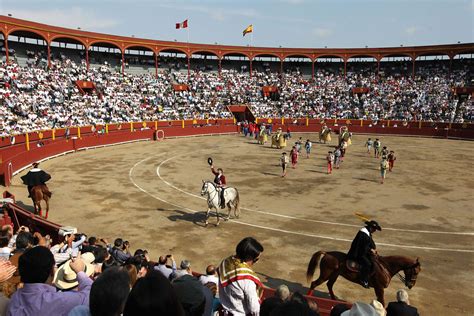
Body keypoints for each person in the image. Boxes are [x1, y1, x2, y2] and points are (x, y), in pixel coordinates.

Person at [7, 247, 92, 316]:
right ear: (51, 271)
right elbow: (92, 296)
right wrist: (80, 271)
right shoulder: (57, 300)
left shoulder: (15, 298)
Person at [218, 237, 264, 316]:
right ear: (249, 258)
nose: (255, 262)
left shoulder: (225, 263)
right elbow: (254, 309)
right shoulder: (247, 280)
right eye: (256, 260)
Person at [346, 220, 382, 289]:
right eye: (375, 229)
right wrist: (371, 250)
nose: (375, 231)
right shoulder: (363, 234)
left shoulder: (367, 232)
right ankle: (363, 279)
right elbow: (363, 247)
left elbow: (370, 243)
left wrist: (373, 249)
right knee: (368, 264)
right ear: (371, 228)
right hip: (357, 253)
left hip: (363, 251)